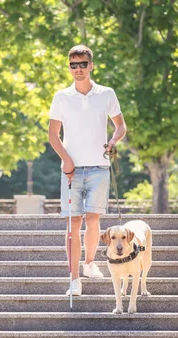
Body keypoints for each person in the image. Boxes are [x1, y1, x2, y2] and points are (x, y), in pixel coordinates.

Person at [48, 44, 127, 296]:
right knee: (73, 224)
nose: (78, 69)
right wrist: (66, 159)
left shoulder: (106, 94)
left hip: (99, 167)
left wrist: (113, 142)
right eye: (74, 65)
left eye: (83, 64)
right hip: (71, 170)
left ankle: (90, 263)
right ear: (69, 67)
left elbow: (120, 126)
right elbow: (53, 135)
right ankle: (74, 280)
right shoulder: (61, 96)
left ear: (91, 65)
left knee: (93, 220)